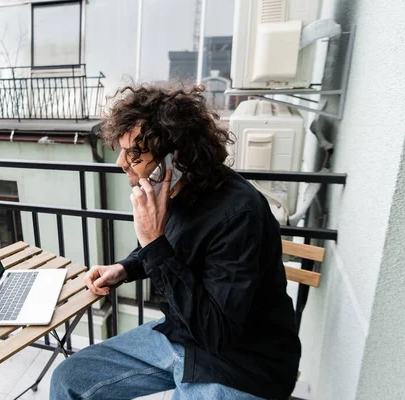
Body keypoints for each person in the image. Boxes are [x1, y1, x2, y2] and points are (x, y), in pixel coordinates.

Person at [50, 84, 301, 399]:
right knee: (68, 378)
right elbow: (170, 248)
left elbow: (216, 332)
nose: (120, 164)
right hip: (180, 335)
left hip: (239, 363)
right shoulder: (177, 191)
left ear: (174, 160)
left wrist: (153, 240)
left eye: (134, 154)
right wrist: (125, 268)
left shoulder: (239, 216)